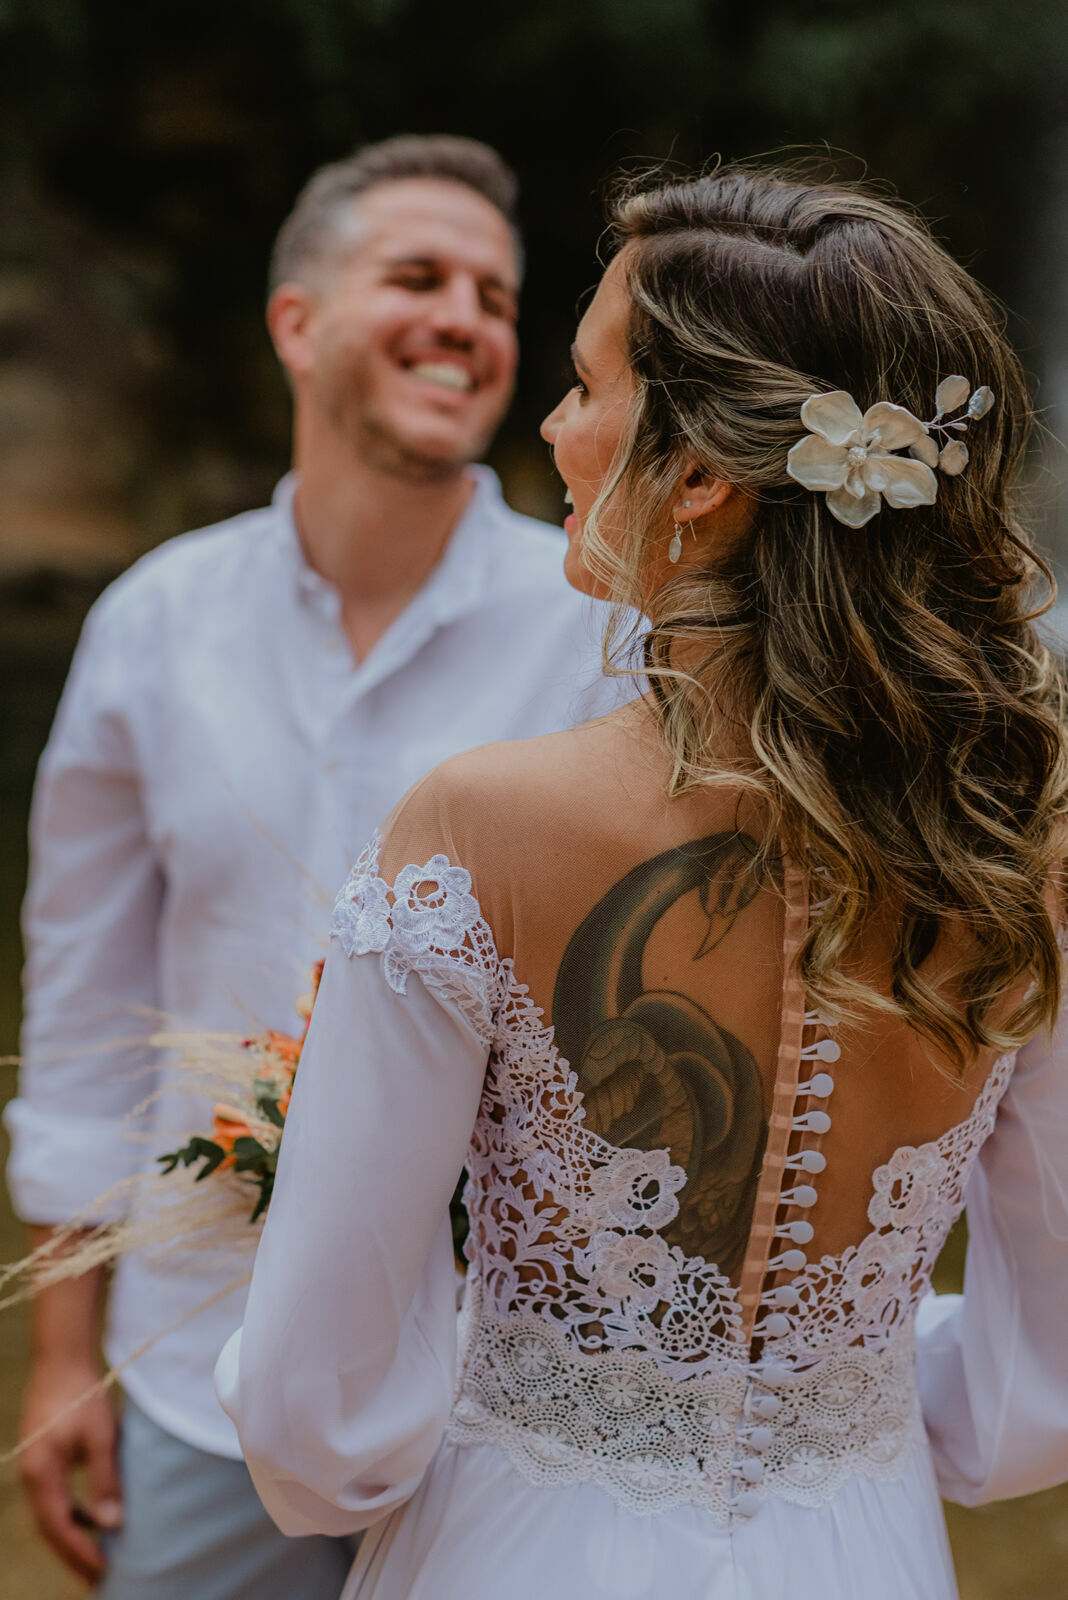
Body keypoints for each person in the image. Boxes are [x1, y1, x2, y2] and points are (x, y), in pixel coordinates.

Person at [217, 163, 1068, 1600]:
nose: (552, 427)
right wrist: (822, 1396)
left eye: (584, 383)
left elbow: (318, 1423)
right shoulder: (1016, 849)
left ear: (697, 474)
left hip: (522, 1549)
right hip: (861, 1553)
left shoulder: (481, 826)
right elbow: (1033, 1388)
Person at [7, 134, 623, 1598]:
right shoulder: (153, 628)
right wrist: (62, 1361)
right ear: (296, 322)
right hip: (198, 1368)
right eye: (418, 275)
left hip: (520, 1394)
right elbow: (90, 1013)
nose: (467, 318)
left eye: (494, 293)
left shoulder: (600, 630)